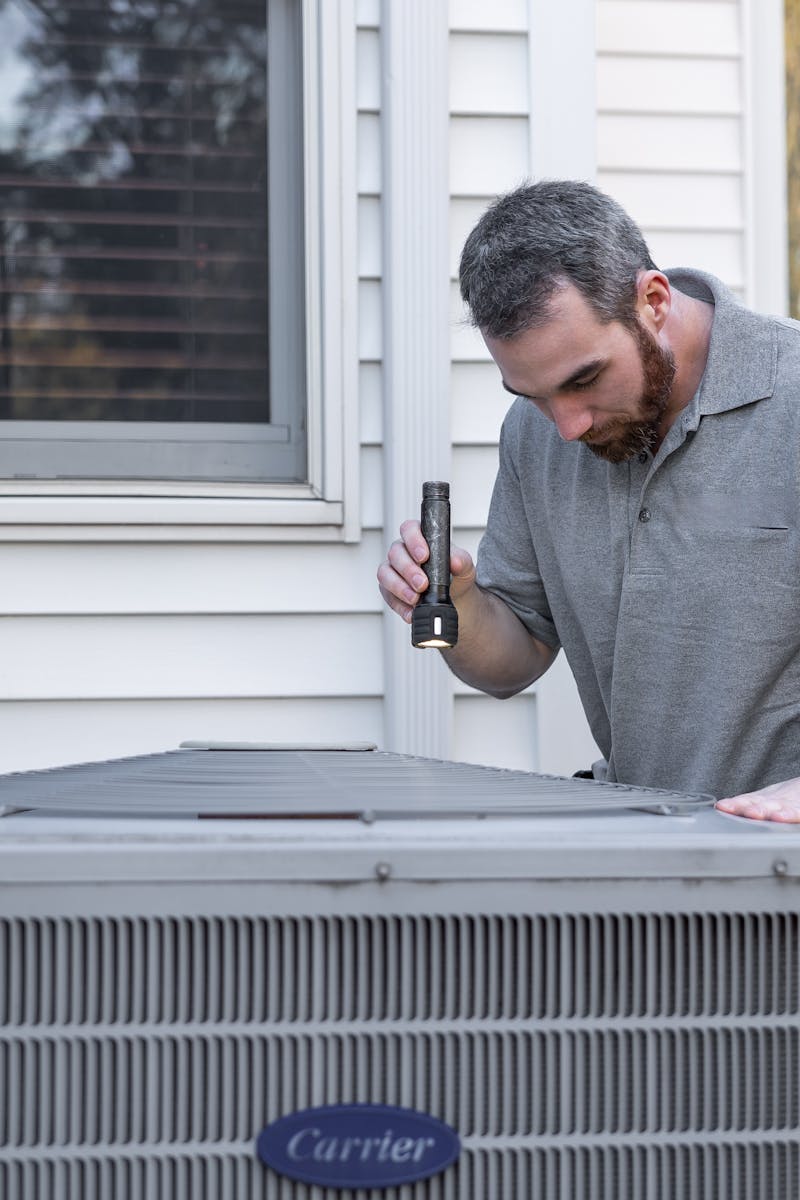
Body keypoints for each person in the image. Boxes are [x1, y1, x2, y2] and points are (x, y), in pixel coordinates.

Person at [377, 179, 800, 822]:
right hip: (641, 852)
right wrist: (454, 604)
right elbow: (511, 661)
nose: (567, 426)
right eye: (535, 395)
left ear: (653, 301)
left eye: (584, 380)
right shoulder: (534, 436)